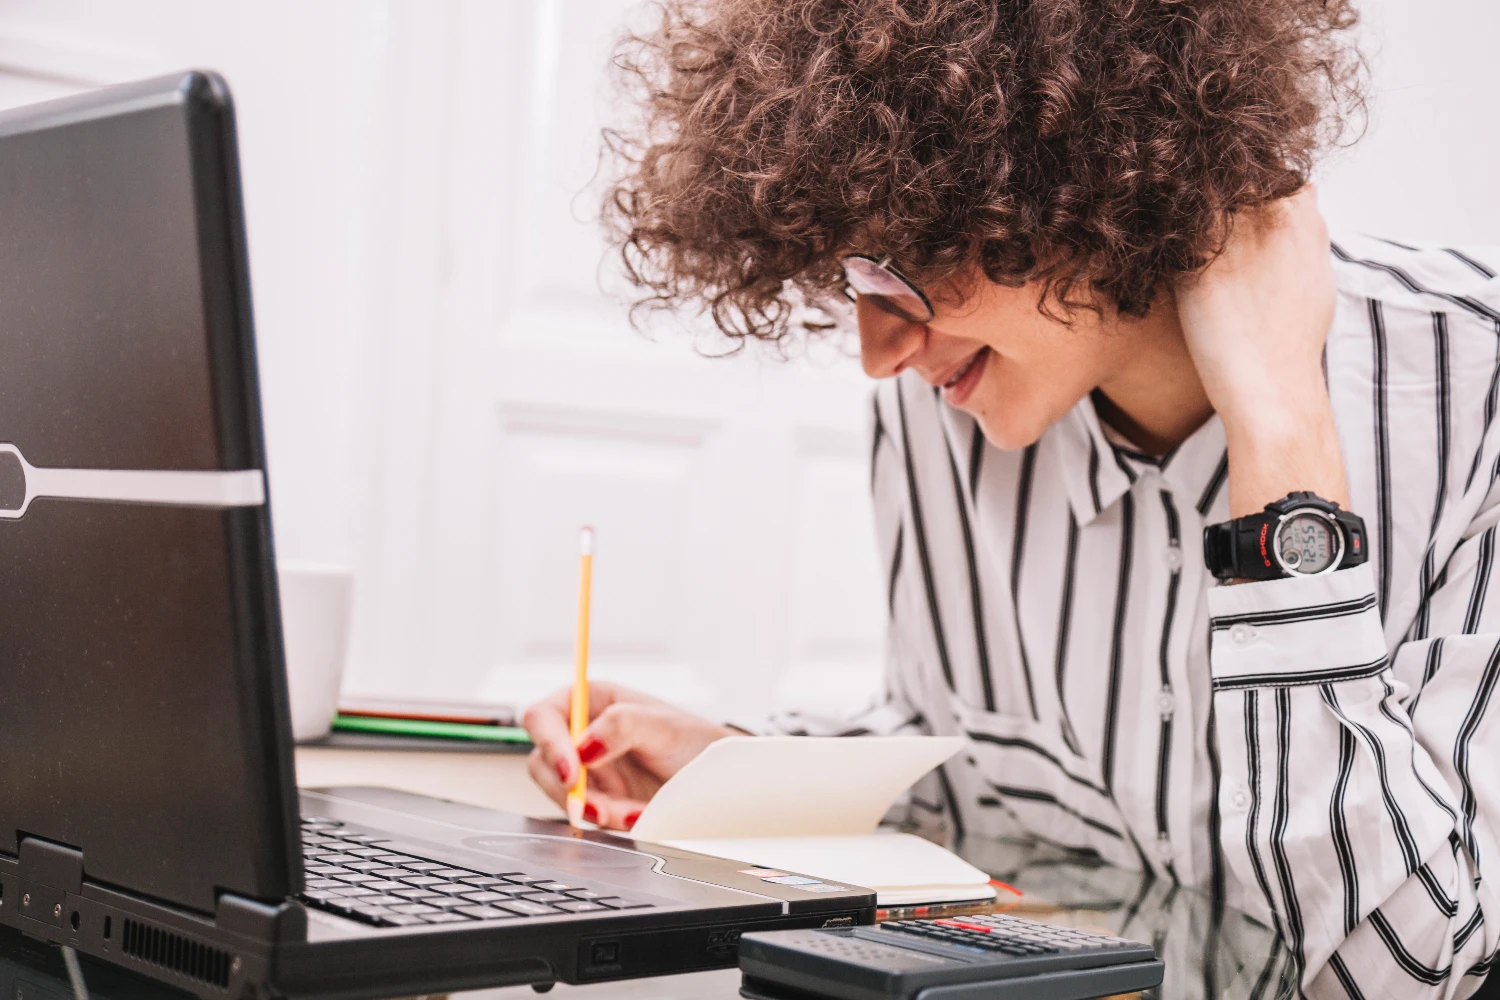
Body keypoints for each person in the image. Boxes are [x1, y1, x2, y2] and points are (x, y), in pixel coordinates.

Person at [521, 1, 1499, 994]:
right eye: (850, 281)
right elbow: (979, 787)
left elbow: (1406, 966)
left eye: (899, 267)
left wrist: (1282, 432)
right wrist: (736, 768)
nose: (878, 354)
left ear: (1079, 186)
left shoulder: (1476, 394)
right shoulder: (940, 417)